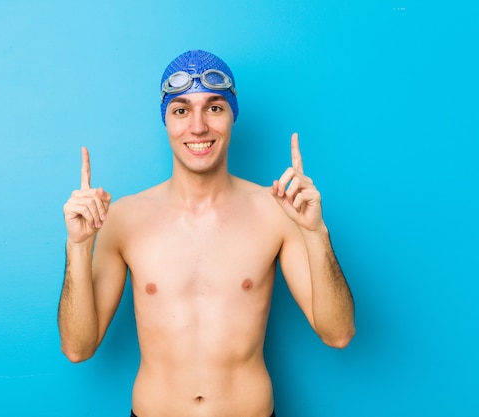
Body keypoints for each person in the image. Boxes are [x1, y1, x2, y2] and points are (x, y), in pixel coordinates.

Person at [58, 50, 355, 417]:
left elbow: (338, 333)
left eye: (214, 107)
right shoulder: (122, 218)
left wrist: (316, 233)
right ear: (165, 121)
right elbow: (78, 348)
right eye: (181, 110)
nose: (198, 127)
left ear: (233, 115)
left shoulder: (278, 212)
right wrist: (78, 246)